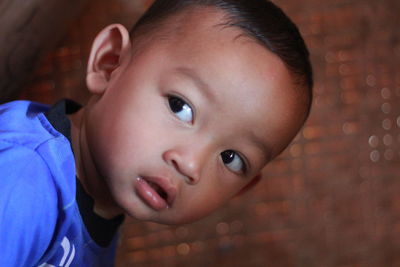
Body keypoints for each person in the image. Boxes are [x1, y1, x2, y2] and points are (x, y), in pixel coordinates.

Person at [0, 0, 313, 266]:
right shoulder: (23, 180)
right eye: (181, 107)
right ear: (110, 65)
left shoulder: (97, 209)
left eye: (231, 159)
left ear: (241, 189)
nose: (191, 165)